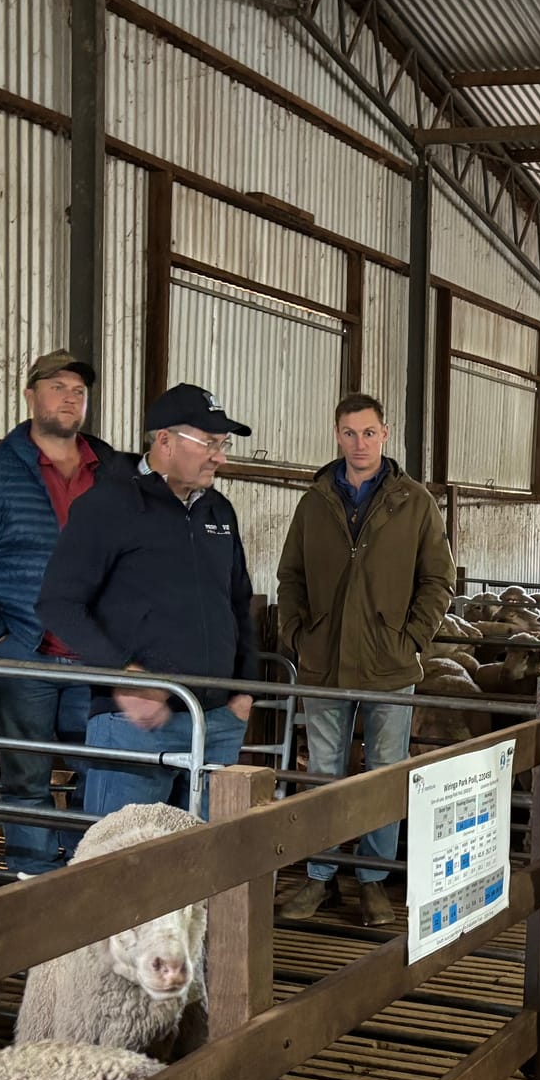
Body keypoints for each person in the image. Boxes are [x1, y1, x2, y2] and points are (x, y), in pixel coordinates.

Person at [0, 351, 126, 873]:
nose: (70, 397)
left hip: (95, 653)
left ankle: (90, 878)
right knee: (26, 777)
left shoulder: (113, 471)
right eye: (58, 386)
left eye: (79, 390)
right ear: (30, 395)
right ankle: (33, 880)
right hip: (23, 651)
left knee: (103, 770)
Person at [36, 384, 258, 817]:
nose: (220, 457)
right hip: (136, 724)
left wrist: (244, 691)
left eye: (223, 445)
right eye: (209, 443)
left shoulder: (219, 511)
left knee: (212, 855)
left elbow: (238, 602)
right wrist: (125, 675)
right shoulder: (109, 504)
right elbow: (58, 603)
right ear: (165, 441)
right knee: (127, 854)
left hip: (216, 723)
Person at [275, 393, 455, 926]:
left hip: (388, 663)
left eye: (369, 432)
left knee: (385, 770)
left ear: (385, 433)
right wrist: (297, 634)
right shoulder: (314, 502)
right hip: (324, 661)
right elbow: (290, 575)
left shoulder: (414, 502)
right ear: (337, 435)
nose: (360, 443)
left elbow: (439, 578)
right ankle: (320, 876)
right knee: (323, 771)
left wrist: (412, 638)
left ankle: (374, 881)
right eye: (350, 433)